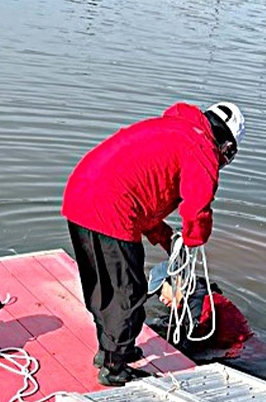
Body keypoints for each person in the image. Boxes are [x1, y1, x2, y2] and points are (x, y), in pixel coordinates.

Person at [62, 101, 246, 386]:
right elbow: (198, 206)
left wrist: (165, 237)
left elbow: (144, 188)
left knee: (102, 287)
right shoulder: (202, 147)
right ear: (227, 148)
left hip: (79, 196)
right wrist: (194, 239)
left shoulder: (173, 131)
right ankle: (115, 368)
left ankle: (109, 351)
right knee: (128, 293)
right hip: (112, 209)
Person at [146, 260, 254, 360]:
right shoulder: (192, 296)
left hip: (246, 356)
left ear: (176, 280)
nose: (160, 298)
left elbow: (192, 345)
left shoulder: (200, 304)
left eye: (160, 291)